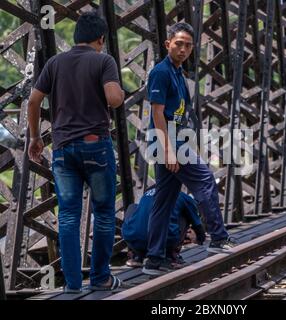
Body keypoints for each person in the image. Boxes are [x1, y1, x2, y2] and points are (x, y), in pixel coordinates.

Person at [27, 12, 127, 292]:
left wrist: (36, 137)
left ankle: (72, 284)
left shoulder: (54, 63)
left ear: (76, 37)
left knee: (69, 215)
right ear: (101, 38)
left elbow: (33, 102)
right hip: (96, 145)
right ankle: (100, 278)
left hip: (62, 149)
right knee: (104, 212)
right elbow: (114, 99)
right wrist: (119, 90)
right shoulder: (103, 60)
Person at [143, 22, 236, 276]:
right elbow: (157, 114)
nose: (183, 49)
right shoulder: (161, 72)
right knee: (205, 181)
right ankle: (218, 238)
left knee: (164, 200)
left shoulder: (177, 71)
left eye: (188, 45)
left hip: (176, 140)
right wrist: (169, 150)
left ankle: (154, 258)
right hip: (170, 142)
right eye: (178, 44)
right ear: (167, 44)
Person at [122, 186, 206, 268]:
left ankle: (136, 256)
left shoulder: (147, 194)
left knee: (133, 207)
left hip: (134, 241)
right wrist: (201, 239)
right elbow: (197, 224)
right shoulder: (182, 196)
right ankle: (171, 256)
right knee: (185, 213)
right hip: (163, 243)